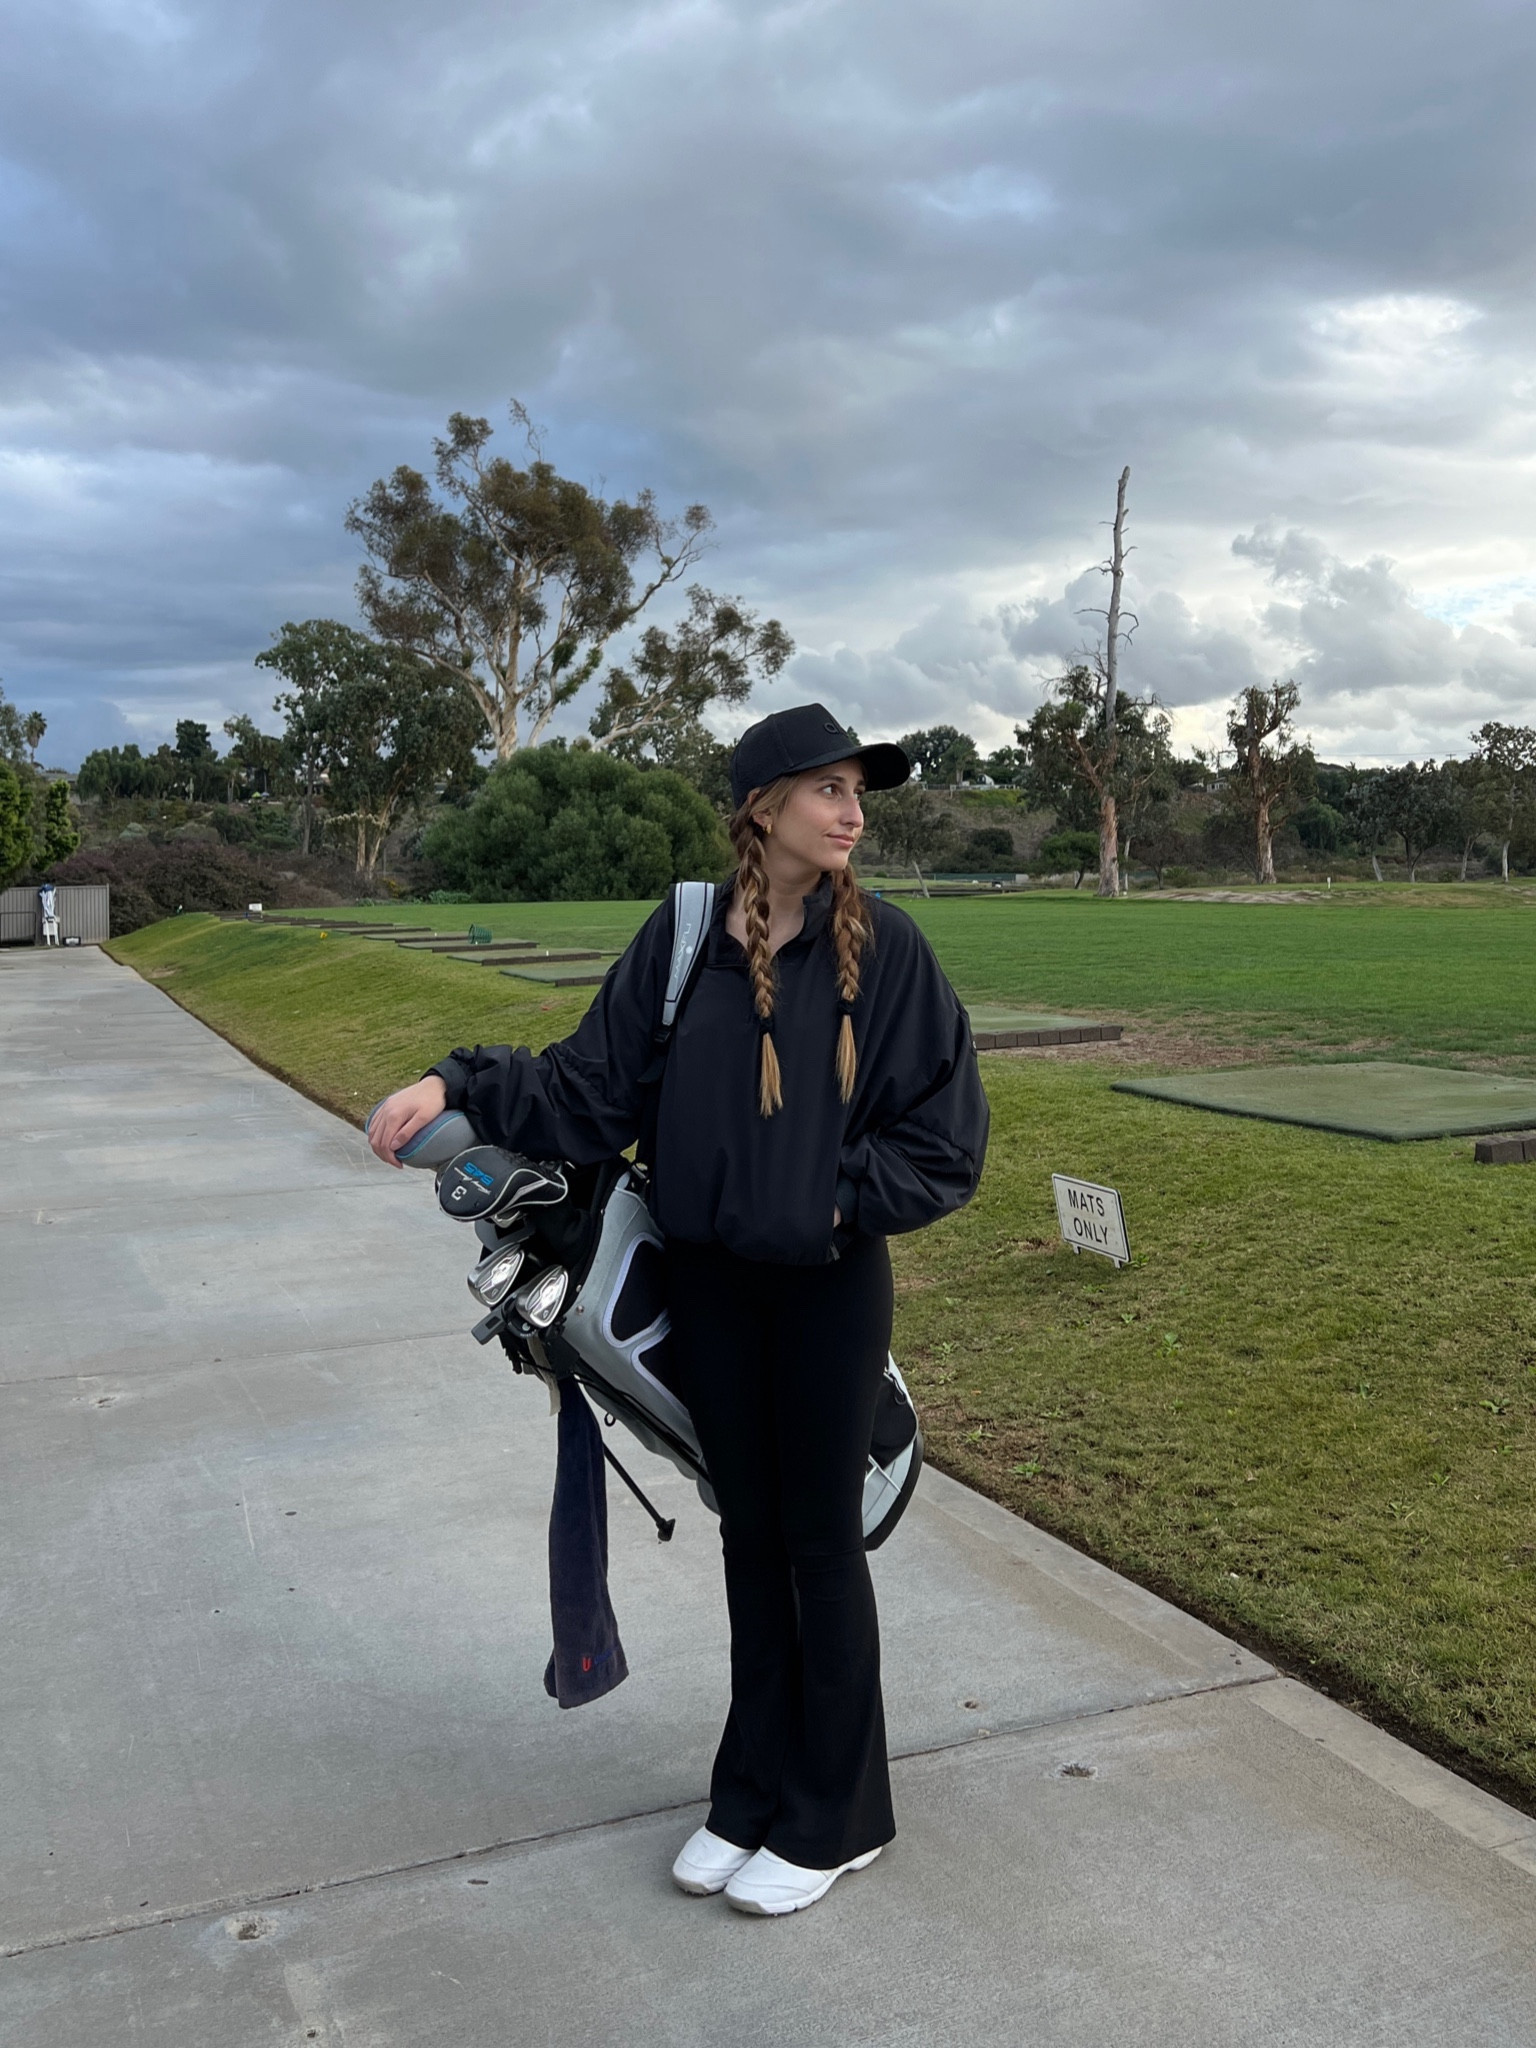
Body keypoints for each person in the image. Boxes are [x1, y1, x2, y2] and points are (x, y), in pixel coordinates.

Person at [369, 703, 990, 1916]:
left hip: (825, 1288)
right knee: (748, 1536)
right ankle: (754, 1790)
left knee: (815, 1541)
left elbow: (946, 1140)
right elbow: (584, 1085)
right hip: (708, 1282)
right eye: (825, 787)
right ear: (763, 806)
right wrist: (457, 1077)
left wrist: (820, 1202)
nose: (851, 808)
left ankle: (839, 1812)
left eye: (857, 789)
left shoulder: (893, 950)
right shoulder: (688, 934)